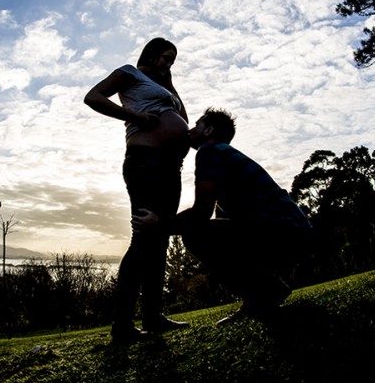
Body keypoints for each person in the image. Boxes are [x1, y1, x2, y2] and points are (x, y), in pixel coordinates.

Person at [133, 108, 312, 326]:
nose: (190, 130)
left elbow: (200, 214)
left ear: (208, 130)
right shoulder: (223, 153)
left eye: (197, 125)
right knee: (216, 231)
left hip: (284, 233)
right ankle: (262, 295)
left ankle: (263, 295)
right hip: (295, 233)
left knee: (195, 234)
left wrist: (159, 225)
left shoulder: (210, 152)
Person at [84, 38, 192, 342]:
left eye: (173, 60)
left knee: (160, 241)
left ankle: (153, 317)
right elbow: (93, 97)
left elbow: (183, 117)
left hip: (172, 167)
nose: (169, 63)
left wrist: (171, 83)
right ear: (152, 53)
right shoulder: (130, 72)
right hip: (146, 163)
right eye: (166, 57)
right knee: (144, 239)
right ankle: (122, 325)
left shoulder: (164, 87)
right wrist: (135, 116)